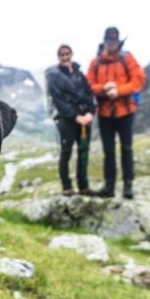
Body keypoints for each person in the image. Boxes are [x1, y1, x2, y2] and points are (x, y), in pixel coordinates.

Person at [86, 27, 146, 199]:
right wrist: (104, 90)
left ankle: (128, 186)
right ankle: (109, 186)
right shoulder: (95, 62)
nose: (111, 44)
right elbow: (89, 84)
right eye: (109, 41)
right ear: (104, 41)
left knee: (126, 148)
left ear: (117, 41)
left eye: (114, 41)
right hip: (105, 114)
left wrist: (118, 91)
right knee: (108, 151)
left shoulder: (127, 58)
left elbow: (138, 80)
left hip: (126, 112)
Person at [45, 44, 96, 196]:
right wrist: (75, 116)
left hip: (85, 120)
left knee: (83, 152)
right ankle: (67, 187)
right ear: (58, 57)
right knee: (66, 153)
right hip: (67, 120)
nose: (65, 57)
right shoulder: (54, 76)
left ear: (71, 54)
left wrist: (91, 112)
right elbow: (58, 100)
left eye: (67, 54)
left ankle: (83, 186)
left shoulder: (80, 73)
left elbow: (89, 93)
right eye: (62, 55)